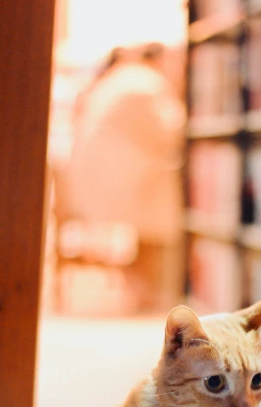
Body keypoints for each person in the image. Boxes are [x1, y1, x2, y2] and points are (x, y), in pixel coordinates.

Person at [67, 42, 186, 312]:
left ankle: (146, 287)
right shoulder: (147, 83)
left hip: (99, 180)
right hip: (121, 184)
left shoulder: (122, 78)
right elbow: (171, 130)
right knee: (164, 207)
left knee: (160, 201)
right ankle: (155, 291)